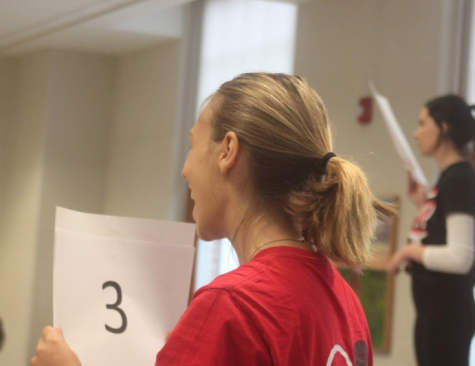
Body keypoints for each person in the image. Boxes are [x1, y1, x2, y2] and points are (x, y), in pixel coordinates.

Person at [31, 73, 392, 366]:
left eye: (192, 146)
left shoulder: (233, 304)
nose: (185, 171)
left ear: (227, 151)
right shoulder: (345, 302)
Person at [388, 95, 475, 366]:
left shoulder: (460, 178)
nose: (415, 133)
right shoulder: (449, 179)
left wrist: (408, 251)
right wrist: (425, 204)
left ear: (444, 128)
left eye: (422, 123)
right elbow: (441, 236)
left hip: (446, 317)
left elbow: (461, 257)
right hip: (436, 315)